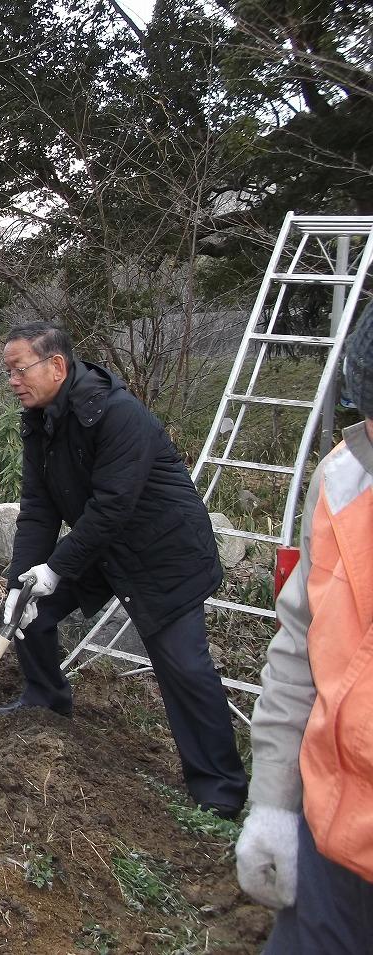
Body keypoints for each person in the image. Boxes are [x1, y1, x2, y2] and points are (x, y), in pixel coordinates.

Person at [0, 321, 247, 817]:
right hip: (102, 549)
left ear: (57, 366)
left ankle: (220, 791)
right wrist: (20, 581)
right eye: (7, 372)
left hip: (163, 555)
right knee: (30, 612)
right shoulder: (40, 422)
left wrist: (56, 569)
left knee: (184, 668)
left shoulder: (118, 414)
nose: (12, 381)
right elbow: (38, 509)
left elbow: (113, 508)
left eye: (18, 369)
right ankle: (46, 700)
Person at [235, 307, 373, 953]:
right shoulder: (346, 478)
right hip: (335, 831)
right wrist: (274, 802)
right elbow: (299, 647)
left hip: (165, 563)